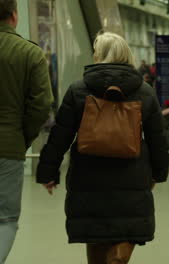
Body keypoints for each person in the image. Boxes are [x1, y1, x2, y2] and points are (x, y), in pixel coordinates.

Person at [36, 32, 169, 264]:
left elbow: (60, 135)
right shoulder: (144, 92)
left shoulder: (78, 90)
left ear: (98, 56)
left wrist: (48, 172)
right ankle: (119, 255)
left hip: (88, 177)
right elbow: (158, 138)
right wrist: (159, 172)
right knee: (126, 232)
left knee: (95, 237)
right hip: (132, 176)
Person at [0, 1, 54, 263]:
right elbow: (42, 105)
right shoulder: (30, 53)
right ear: (14, 15)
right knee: (5, 220)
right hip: (9, 147)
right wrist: (23, 137)